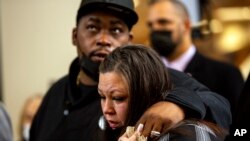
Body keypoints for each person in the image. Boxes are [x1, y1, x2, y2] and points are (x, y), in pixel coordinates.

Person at [30, 0, 231, 141]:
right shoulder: (56, 93)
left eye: (116, 30)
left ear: (129, 40)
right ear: (75, 36)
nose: (103, 39)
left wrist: (178, 106)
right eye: (93, 27)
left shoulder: (153, 79)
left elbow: (220, 105)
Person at [98, 44, 226, 141]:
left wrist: (177, 106)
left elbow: (218, 102)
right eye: (102, 96)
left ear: (146, 92)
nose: (106, 109)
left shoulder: (186, 134)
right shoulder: (121, 131)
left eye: (118, 98)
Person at [147, 0, 244, 114]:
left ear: (186, 25)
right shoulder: (147, 76)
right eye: (150, 25)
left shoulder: (226, 75)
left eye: (163, 22)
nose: (155, 29)